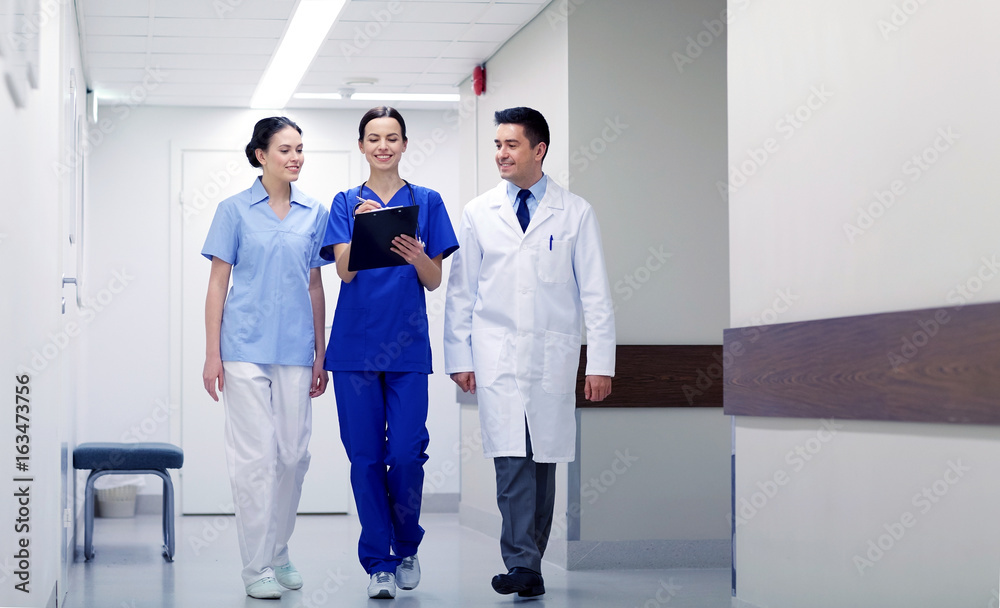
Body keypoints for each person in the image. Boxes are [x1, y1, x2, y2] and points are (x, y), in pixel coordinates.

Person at [443, 106, 616, 597]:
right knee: (511, 461)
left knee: (543, 463)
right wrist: (460, 355)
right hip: (497, 356)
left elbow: (597, 294)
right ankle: (521, 562)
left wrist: (600, 363)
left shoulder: (576, 212)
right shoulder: (479, 212)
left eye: (510, 145)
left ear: (538, 150)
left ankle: (529, 563)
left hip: (551, 357)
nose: (500, 153)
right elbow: (462, 290)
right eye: (497, 145)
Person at [321, 106, 459, 599]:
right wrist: (364, 232)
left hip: (405, 349)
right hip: (355, 349)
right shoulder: (343, 202)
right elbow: (344, 273)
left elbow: (434, 278)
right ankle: (379, 563)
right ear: (361, 145)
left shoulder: (427, 201)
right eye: (373, 138)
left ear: (404, 144)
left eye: (392, 137)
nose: (383, 145)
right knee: (364, 458)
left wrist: (418, 255)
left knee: (404, 453)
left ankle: (406, 544)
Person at [201, 117, 330, 600]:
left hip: (296, 349)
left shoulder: (314, 213)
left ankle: (278, 550)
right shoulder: (233, 211)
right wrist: (212, 352)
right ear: (260, 155)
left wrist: (320, 351)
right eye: (285, 150)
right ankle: (256, 567)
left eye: (300, 149)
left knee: (294, 457)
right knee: (255, 459)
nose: (295, 157)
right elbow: (218, 284)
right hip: (243, 349)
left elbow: (315, 284)